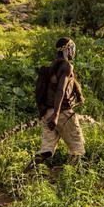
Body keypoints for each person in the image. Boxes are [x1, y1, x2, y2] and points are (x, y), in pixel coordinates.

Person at [24, 37, 85, 171]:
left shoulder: (54, 66)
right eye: (72, 49)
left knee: (45, 151)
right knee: (77, 148)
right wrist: (57, 115)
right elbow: (60, 90)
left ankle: (24, 173)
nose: (73, 52)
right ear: (68, 49)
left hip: (47, 113)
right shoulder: (67, 66)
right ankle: (66, 176)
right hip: (62, 114)